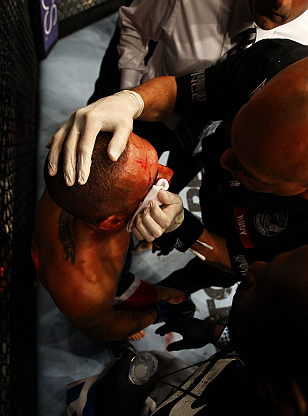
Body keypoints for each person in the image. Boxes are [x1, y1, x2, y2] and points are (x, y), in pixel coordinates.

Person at [46, 38, 308, 297]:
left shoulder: (298, 248)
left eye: (248, 168)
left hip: (242, 247)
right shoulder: (269, 65)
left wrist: (182, 231)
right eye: (234, 133)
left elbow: (251, 269)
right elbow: (179, 92)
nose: (223, 161)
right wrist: (131, 101)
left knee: (195, 282)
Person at [67, 245, 308, 416]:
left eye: (263, 284)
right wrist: (216, 334)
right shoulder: (276, 368)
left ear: (280, 392)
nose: (254, 267)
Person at [88, 0, 308, 193]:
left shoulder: (302, 48)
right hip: (148, 113)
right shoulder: (192, 3)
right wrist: (128, 95)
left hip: (205, 139)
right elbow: (135, 25)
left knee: (170, 187)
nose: (281, 2)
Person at [31, 131, 196, 343]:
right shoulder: (86, 287)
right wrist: (159, 313)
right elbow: (103, 330)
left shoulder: (78, 175)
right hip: (102, 286)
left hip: (112, 241)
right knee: (180, 301)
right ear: (113, 222)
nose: (168, 174)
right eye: (153, 185)